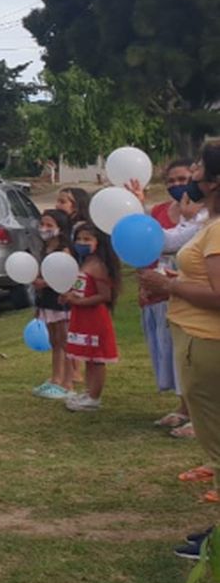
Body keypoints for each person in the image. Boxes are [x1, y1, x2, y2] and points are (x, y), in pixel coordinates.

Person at [139, 142, 220, 542]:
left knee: (217, 438)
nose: (193, 175)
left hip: (208, 342)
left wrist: (171, 285)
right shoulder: (210, 223)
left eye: (200, 168)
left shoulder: (218, 229)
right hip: (199, 339)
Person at [133, 160, 195, 435]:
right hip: (160, 293)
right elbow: (149, 244)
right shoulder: (162, 212)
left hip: (188, 294)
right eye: (170, 180)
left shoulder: (203, 217)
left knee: (192, 356)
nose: (176, 185)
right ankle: (185, 407)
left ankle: (200, 415)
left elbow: (172, 242)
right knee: (173, 353)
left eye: (182, 179)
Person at [63, 222, 120, 411]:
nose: (81, 242)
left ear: (98, 242)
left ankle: (95, 396)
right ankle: (89, 391)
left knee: (96, 359)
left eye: (87, 239)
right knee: (87, 357)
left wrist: (80, 302)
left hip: (95, 317)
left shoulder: (99, 265)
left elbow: (104, 295)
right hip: (81, 316)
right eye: (78, 239)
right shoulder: (83, 262)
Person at [31, 209, 75, 399]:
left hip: (60, 301)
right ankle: (55, 378)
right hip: (46, 301)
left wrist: (46, 282)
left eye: (50, 225)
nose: (44, 229)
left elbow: (68, 274)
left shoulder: (64, 250)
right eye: (42, 224)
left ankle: (68, 382)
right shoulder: (44, 249)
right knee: (54, 341)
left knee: (65, 341)